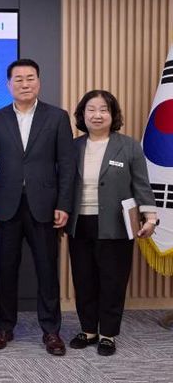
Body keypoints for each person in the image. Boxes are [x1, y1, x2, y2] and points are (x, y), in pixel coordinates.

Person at [0, 58, 75, 356]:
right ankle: (4, 327)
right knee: (6, 270)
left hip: (44, 206)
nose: (25, 84)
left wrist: (64, 204)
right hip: (6, 207)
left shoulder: (57, 117)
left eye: (30, 78)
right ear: (8, 84)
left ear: (39, 81)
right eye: (18, 79)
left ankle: (51, 331)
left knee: (47, 270)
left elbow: (67, 165)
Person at [66, 90, 158, 356]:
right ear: (82, 115)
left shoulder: (129, 146)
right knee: (84, 279)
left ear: (113, 114)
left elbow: (141, 184)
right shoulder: (73, 147)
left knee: (112, 280)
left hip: (116, 224)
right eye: (91, 109)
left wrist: (150, 217)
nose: (97, 115)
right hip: (80, 223)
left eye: (103, 109)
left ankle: (107, 333)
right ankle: (88, 330)